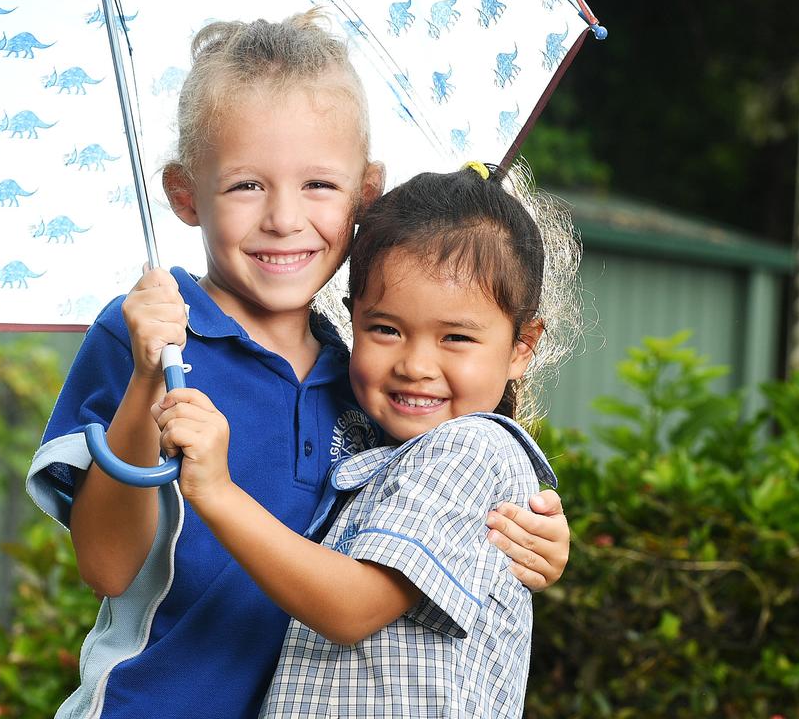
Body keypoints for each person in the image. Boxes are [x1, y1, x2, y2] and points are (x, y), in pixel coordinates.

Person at [25, 12, 570, 719]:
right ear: (186, 194)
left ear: (364, 193)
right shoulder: (149, 338)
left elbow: (427, 508)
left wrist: (530, 540)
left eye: (318, 185)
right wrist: (142, 385)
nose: (283, 218)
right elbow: (105, 567)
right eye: (247, 186)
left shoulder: (365, 380)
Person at [154, 163, 581, 717]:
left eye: (455, 337)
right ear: (351, 317)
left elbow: (351, 608)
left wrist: (217, 492)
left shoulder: (472, 449)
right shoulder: (367, 442)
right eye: (386, 329)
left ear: (522, 346)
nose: (416, 365)